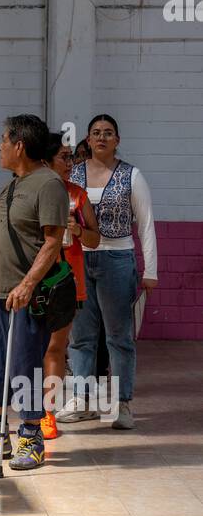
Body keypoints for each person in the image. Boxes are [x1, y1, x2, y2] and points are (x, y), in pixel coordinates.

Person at [0, 115, 68, 471]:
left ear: (19, 145)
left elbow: (52, 242)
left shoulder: (48, 184)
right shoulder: (12, 185)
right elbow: (1, 241)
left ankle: (31, 437)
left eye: (3, 140)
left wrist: (27, 284)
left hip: (27, 297)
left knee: (24, 366)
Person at [61, 113, 157, 431]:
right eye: (96, 132)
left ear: (117, 140)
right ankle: (83, 399)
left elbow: (145, 224)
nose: (102, 137)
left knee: (118, 337)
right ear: (87, 140)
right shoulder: (73, 175)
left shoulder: (132, 175)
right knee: (81, 336)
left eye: (108, 132)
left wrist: (150, 270)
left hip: (117, 259)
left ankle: (123, 402)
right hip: (79, 259)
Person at [41, 133, 99, 437]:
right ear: (45, 162)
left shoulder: (77, 195)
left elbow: (95, 238)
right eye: (64, 157)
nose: (71, 162)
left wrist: (78, 231)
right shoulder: (30, 191)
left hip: (66, 281)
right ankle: (11, 411)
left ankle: (47, 414)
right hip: (32, 281)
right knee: (27, 347)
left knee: (55, 347)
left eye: (71, 156)